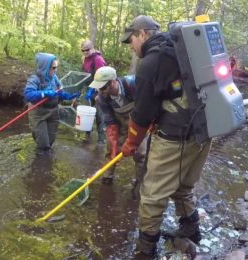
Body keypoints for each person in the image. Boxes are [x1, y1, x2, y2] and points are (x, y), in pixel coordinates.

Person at [120, 15, 212, 257]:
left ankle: (145, 250)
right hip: (205, 130)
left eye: (131, 40)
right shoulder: (182, 47)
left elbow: (141, 116)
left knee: (151, 197)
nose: (131, 46)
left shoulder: (150, 63)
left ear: (142, 34)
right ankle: (191, 232)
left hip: (175, 138)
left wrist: (130, 143)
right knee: (183, 186)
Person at [88, 66, 149, 197]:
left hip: (141, 121)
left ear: (113, 81)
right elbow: (110, 123)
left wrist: (133, 140)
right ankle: (108, 175)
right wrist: (115, 145)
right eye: (99, 87)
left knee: (140, 153)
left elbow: (148, 107)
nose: (101, 90)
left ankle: (139, 182)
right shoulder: (101, 98)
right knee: (111, 150)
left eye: (103, 87)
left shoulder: (134, 84)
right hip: (120, 121)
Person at [24, 52, 80, 156]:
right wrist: (44, 93)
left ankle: (47, 159)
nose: (55, 70)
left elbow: (60, 92)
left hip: (53, 111)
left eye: (56, 67)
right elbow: (28, 95)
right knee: (43, 143)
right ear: (45, 67)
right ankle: (41, 165)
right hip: (38, 113)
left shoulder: (54, 78)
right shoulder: (34, 78)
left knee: (50, 140)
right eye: (53, 68)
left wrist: (68, 96)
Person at [81, 40, 106, 144]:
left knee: (100, 115)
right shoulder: (84, 59)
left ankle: (101, 140)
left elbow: (104, 78)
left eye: (87, 50)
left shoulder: (98, 60)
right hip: (88, 90)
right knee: (87, 114)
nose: (85, 52)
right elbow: (83, 77)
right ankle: (87, 136)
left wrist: (98, 92)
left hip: (99, 90)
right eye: (83, 50)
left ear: (92, 48)